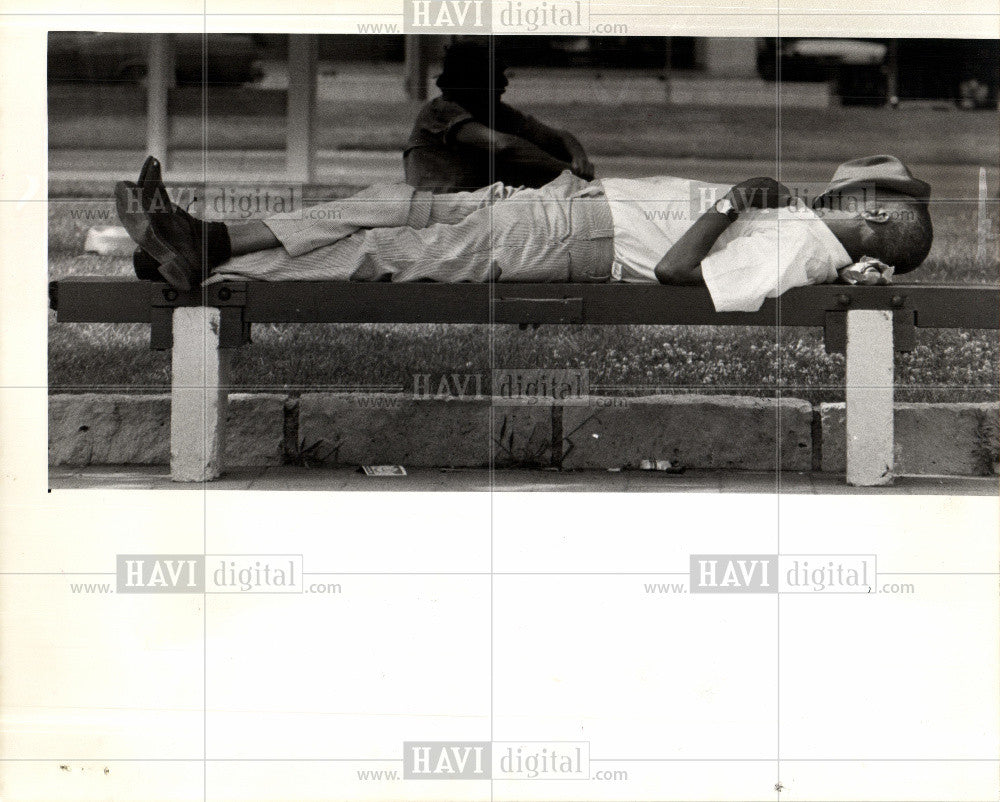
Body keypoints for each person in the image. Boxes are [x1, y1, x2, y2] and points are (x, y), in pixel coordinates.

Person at [116, 155, 933, 314]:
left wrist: (729, 204)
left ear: (880, 217)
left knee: (385, 249)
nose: (853, 181)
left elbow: (686, 276)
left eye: (870, 188)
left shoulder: (801, 248)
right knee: (386, 204)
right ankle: (209, 237)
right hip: (569, 207)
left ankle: (202, 271)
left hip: (572, 240)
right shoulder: (796, 225)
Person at [403, 41, 595, 193]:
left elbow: (560, 137)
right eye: (494, 76)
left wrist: (579, 159)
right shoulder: (440, 110)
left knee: (550, 153)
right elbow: (503, 146)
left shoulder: (495, 110)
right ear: (472, 80)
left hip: (472, 199)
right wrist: (566, 170)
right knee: (531, 164)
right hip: (437, 204)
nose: (504, 83)